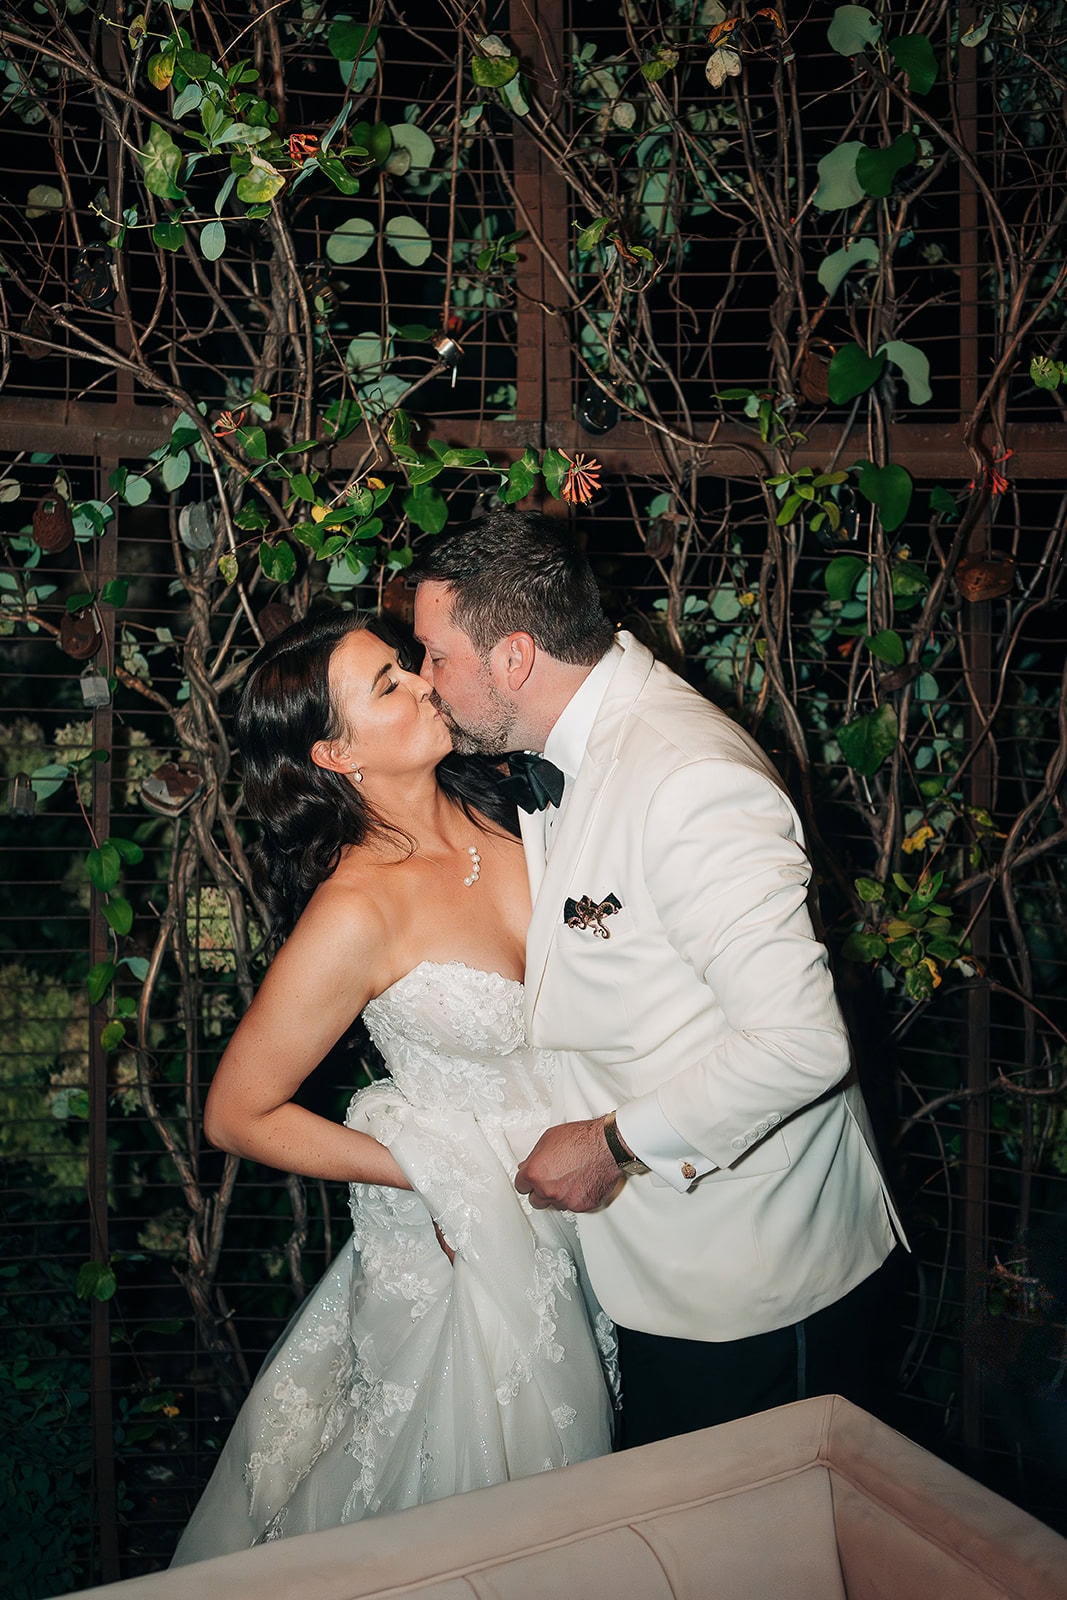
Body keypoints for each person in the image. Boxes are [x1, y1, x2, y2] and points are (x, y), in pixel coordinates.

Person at [413, 509, 905, 1448]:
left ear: (512, 658)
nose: (429, 681)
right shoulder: (568, 751)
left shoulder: (687, 779)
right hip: (655, 1273)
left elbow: (799, 1044)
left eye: (436, 655)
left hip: (758, 1281)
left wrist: (612, 1145)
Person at [170, 608, 616, 1565]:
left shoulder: (518, 807)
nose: (423, 681)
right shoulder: (354, 909)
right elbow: (237, 1115)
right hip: (475, 1256)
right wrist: (435, 1177)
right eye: (389, 685)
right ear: (335, 754)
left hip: (617, 1201)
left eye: (409, 666)